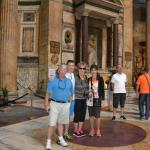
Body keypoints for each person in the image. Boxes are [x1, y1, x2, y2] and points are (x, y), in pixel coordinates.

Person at [44, 64, 73, 150]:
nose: (63, 71)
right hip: (54, 104)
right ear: (58, 70)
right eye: (61, 69)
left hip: (65, 105)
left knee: (61, 123)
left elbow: (71, 94)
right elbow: (47, 94)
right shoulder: (53, 81)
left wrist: (69, 104)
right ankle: (48, 141)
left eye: (64, 69)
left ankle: (61, 139)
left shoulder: (69, 81)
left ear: (66, 71)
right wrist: (46, 104)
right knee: (52, 124)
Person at [87, 64, 105, 137]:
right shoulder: (88, 79)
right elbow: (86, 89)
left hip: (97, 99)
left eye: (95, 69)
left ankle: (98, 130)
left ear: (97, 70)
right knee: (91, 115)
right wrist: (88, 93)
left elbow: (102, 90)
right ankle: (92, 129)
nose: (93, 71)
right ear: (90, 71)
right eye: (92, 69)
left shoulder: (100, 79)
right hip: (90, 99)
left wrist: (103, 99)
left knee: (97, 116)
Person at [73, 62, 89, 137]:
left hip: (84, 99)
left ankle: (80, 129)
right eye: (80, 68)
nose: (82, 70)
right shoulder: (75, 78)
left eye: (83, 68)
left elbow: (87, 88)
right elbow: (73, 88)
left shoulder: (86, 78)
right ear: (78, 69)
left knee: (83, 114)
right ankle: (75, 130)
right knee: (77, 114)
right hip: (77, 99)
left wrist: (88, 92)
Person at [64, 60, 75, 140]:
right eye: (69, 65)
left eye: (72, 65)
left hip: (73, 99)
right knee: (63, 117)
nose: (71, 67)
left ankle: (66, 132)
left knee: (69, 117)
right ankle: (62, 133)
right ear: (67, 66)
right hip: (66, 100)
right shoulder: (64, 75)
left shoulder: (73, 75)